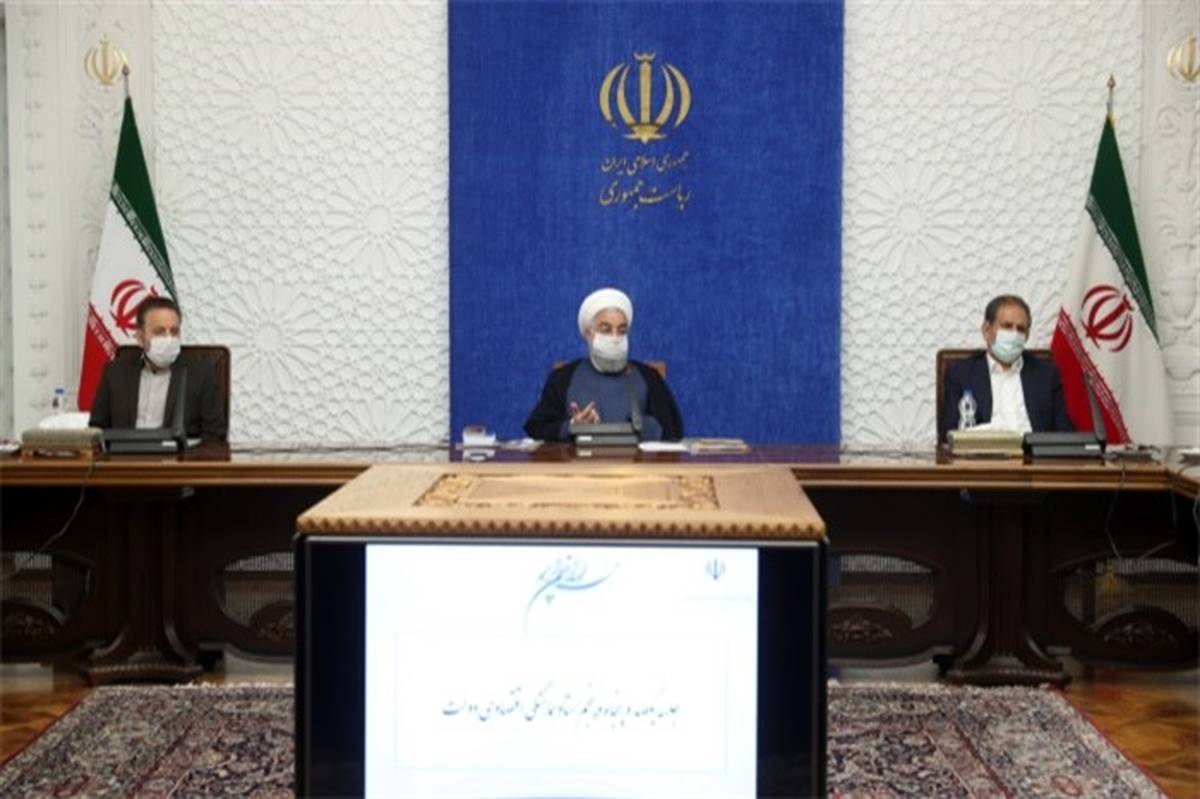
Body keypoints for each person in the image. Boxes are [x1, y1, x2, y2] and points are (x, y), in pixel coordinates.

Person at [523, 288, 683, 442]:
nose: (615, 338)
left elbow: (672, 432)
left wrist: (641, 427)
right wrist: (574, 426)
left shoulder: (649, 377)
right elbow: (538, 428)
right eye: (606, 330)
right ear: (588, 334)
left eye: (621, 330)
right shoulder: (563, 379)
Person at [88, 296, 227, 441]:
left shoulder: (201, 373)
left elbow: (214, 435)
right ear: (140, 337)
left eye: (174, 331)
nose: (168, 338)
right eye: (159, 332)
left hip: (179, 454)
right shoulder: (115, 372)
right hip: (126, 453)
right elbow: (97, 429)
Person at [941, 294, 1072, 442]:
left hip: (1032, 454)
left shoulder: (1046, 374)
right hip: (984, 453)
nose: (1014, 335)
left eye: (1021, 329)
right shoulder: (962, 374)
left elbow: (1064, 433)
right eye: (1007, 326)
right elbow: (951, 433)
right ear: (986, 330)